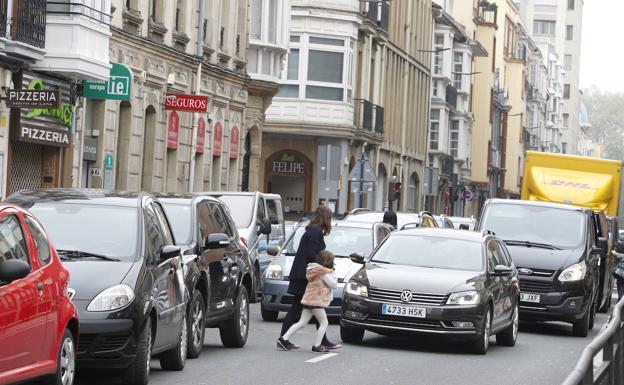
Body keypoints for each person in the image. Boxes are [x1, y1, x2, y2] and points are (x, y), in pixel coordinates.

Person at [279, 205, 341, 350]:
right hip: (304, 277)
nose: (330, 221)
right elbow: (311, 254)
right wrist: (325, 267)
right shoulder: (316, 233)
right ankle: (285, 339)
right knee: (302, 308)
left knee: (305, 310)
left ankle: (286, 339)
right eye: (329, 218)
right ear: (325, 218)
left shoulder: (312, 231)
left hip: (302, 274)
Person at [278, 251, 337, 353]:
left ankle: (283, 338)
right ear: (328, 261)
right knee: (324, 322)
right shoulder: (322, 272)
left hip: (308, 299)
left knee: (302, 322)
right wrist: (333, 274)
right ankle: (317, 345)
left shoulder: (312, 270)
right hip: (316, 301)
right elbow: (333, 284)